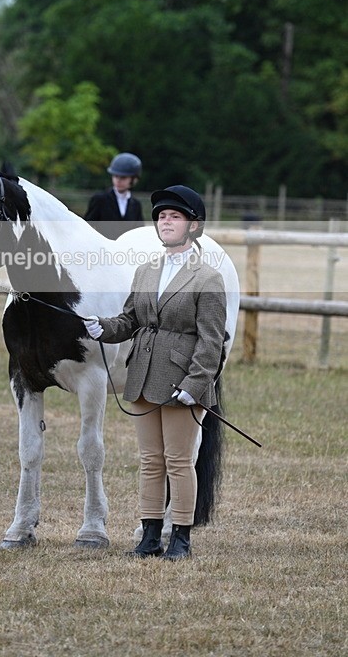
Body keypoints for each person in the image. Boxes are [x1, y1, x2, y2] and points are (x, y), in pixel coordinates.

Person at [84, 185, 226, 560]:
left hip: (182, 381)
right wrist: (102, 327)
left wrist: (196, 385)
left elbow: (212, 341)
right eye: (162, 216)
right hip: (144, 375)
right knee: (150, 460)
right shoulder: (146, 270)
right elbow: (130, 319)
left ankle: (179, 537)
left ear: (193, 227)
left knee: (179, 461)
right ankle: (149, 536)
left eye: (174, 216)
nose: (166, 221)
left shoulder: (208, 278)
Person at [84, 152, 144, 239]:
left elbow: (139, 232)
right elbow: (88, 226)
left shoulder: (136, 204)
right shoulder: (100, 199)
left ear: (134, 179)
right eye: (116, 176)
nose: (118, 180)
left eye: (123, 177)